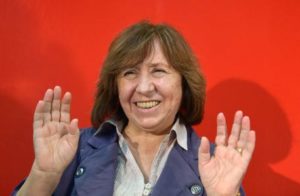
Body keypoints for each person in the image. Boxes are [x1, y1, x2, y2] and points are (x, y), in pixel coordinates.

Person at [13, 21, 256, 196]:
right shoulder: (74, 150)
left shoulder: (213, 163)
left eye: (158, 71)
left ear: (184, 82)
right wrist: (43, 174)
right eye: (130, 73)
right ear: (115, 86)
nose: (144, 87)